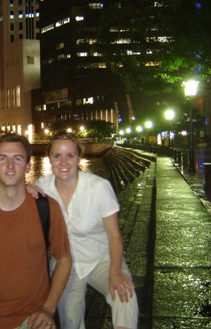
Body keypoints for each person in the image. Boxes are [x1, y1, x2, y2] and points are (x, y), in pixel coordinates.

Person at [0, 133, 72, 329]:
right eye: (3, 158)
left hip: (32, 319)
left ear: (27, 166)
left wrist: (48, 309)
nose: (10, 166)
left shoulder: (47, 209)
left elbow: (64, 258)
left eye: (17, 159)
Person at [32, 131, 138, 329]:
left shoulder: (98, 187)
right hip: (66, 264)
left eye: (70, 155)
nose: (63, 162)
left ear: (78, 157)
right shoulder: (42, 188)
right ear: (49, 158)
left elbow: (114, 235)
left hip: (102, 258)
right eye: (57, 156)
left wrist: (115, 272)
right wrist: (26, 188)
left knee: (125, 297)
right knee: (70, 320)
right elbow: (11, 195)